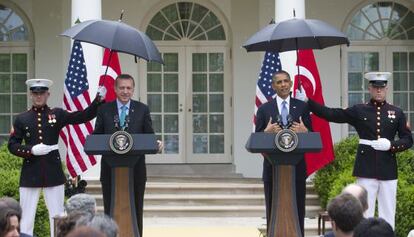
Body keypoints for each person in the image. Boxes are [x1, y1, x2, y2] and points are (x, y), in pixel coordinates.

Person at [296, 72, 413, 229]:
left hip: (388, 168)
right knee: (364, 211)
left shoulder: (396, 112)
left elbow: (408, 140)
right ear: (369, 89)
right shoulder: (360, 110)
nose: (379, 91)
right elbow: (332, 114)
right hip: (366, 167)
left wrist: (391, 145)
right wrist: (308, 101)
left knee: (388, 211)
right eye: (375, 87)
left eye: (382, 88)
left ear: (386, 89)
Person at [7, 79, 106, 236]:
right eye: (35, 93)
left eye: (42, 93)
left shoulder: (57, 114)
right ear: (30, 94)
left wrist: (97, 101)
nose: (38, 96)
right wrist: (31, 150)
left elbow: (82, 116)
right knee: (26, 217)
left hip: (53, 171)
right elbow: (12, 145)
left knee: (58, 215)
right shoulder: (22, 118)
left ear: (48, 94)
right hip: (30, 172)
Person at [94, 74, 162, 237]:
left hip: (136, 169)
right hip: (110, 168)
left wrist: (157, 144)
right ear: (115, 89)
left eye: (128, 88)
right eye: (122, 88)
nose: (125, 91)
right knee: (109, 206)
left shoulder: (142, 109)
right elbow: (97, 137)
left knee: (136, 207)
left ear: (133, 89)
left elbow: (148, 135)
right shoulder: (104, 109)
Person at [255, 70, 312, 235]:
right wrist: (266, 133)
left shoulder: (302, 107)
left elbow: (313, 136)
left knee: (298, 207)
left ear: (291, 84)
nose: (283, 85)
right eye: (279, 82)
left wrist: (304, 130)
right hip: (273, 169)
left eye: (286, 81)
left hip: (297, 169)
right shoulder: (265, 109)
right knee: (272, 208)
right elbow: (256, 140)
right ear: (273, 86)